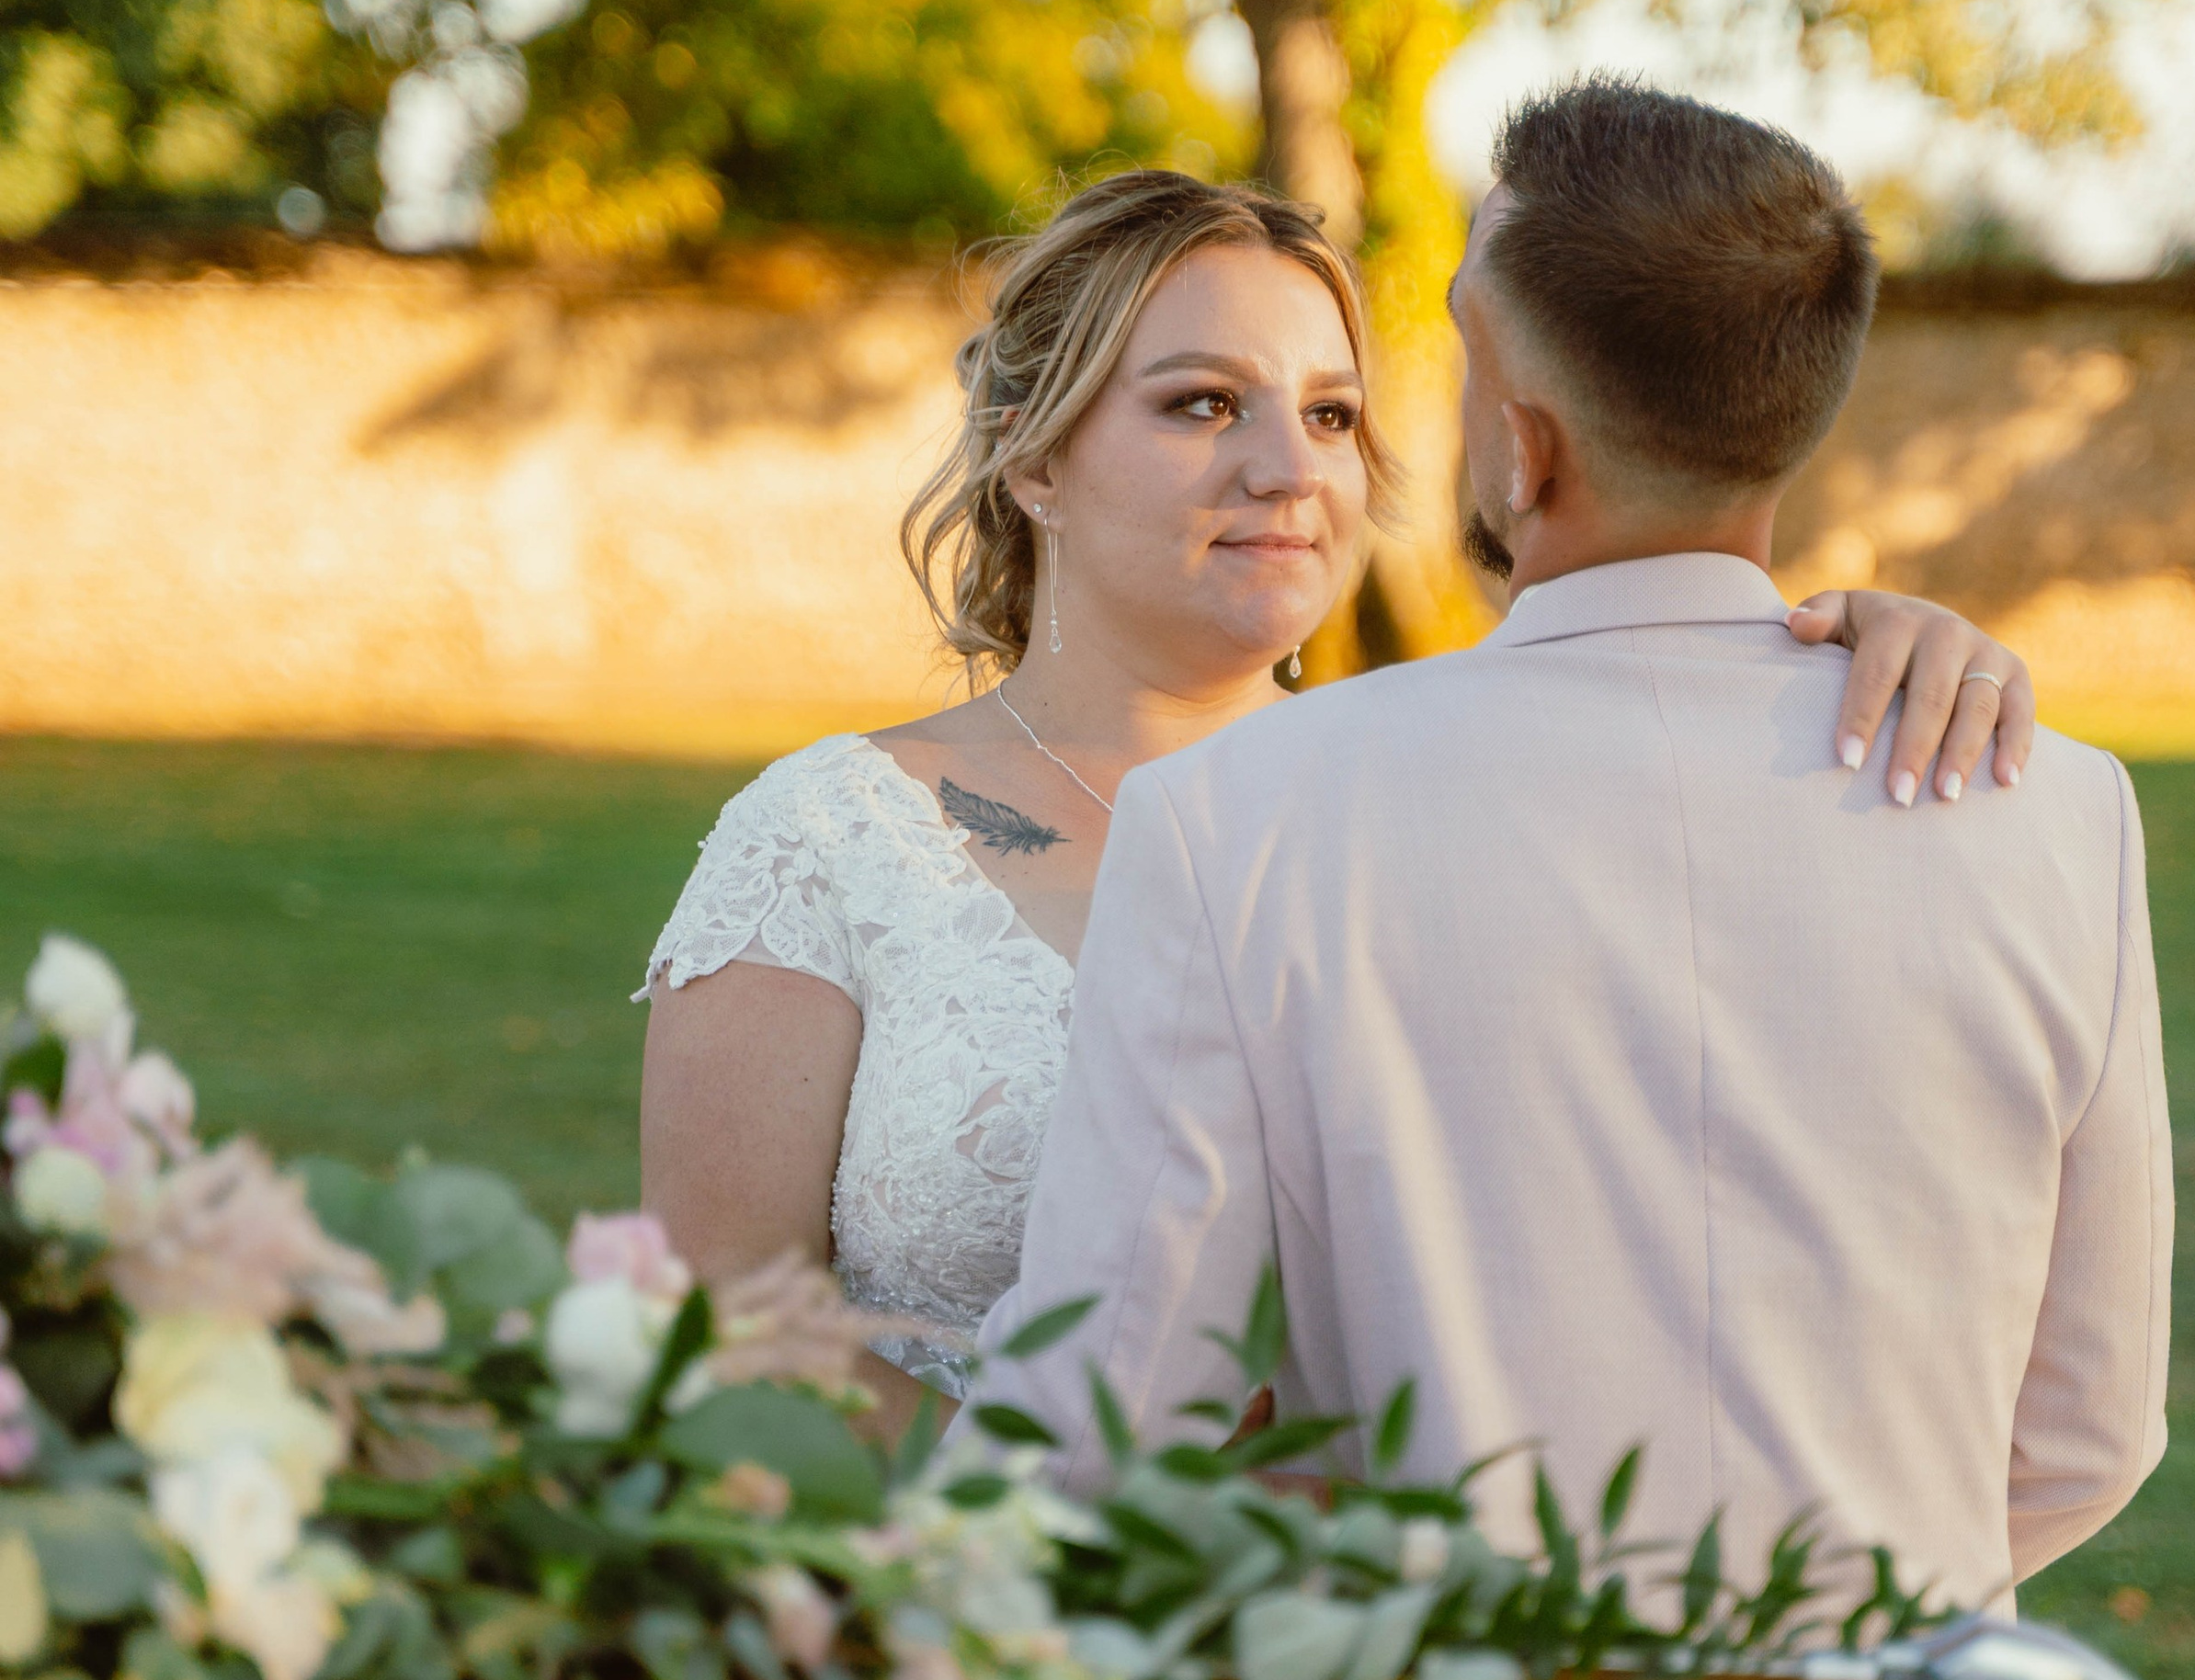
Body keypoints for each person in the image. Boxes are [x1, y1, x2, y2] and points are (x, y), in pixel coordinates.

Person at [961, 93, 2171, 1614]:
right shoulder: (2052, 806)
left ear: (1523, 445)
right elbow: (2090, 1430)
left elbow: (1100, 1422)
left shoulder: (1246, 815)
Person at [641, 163, 2040, 1434]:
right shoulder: (830, 835)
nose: (1289, 470)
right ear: (1033, 453)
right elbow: (728, 1321)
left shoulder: (1469, 791)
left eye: (1329, 413)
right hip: (955, 1627)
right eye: (1202, 403)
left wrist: (1854, 651)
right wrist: (1091, 1539)